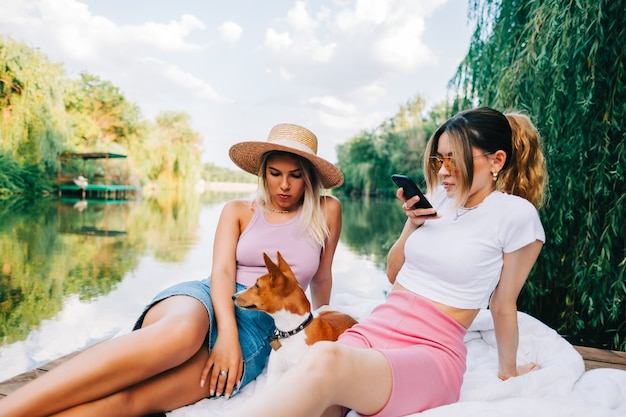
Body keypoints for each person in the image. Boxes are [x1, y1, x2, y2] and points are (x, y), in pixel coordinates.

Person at [0, 123, 344, 417]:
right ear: (262, 172)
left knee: (134, 399)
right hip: (209, 297)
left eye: (295, 176)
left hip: (260, 330)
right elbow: (222, 272)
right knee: (180, 335)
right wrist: (225, 334)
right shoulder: (239, 210)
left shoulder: (327, 211)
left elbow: (322, 276)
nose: (284, 185)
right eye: (275, 174)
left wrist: (315, 328)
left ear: (309, 177)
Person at [226, 107, 548, 417]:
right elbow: (394, 274)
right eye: (439, 158)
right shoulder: (437, 198)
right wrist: (412, 224)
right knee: (313, 389)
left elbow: (504, 305)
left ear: (497, 161)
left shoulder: (515, 216)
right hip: (374, 331)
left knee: (325, 358)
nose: (443, 170)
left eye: (454, 159)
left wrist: (510, 373)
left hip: (429, 352)